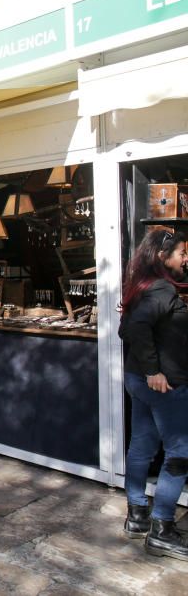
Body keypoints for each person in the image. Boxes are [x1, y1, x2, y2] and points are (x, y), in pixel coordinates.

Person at [118, 229, 188, 560]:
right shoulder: (160, 288)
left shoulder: (142, 287)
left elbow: (125, 328)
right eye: (182, 253)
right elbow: (133, 329)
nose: (186, 258)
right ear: (163, 257)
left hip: (139, 382)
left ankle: (137, 515)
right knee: (180, 451)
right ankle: (162, 529)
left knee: (142, 445)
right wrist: (153, 370)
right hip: (163, 385)